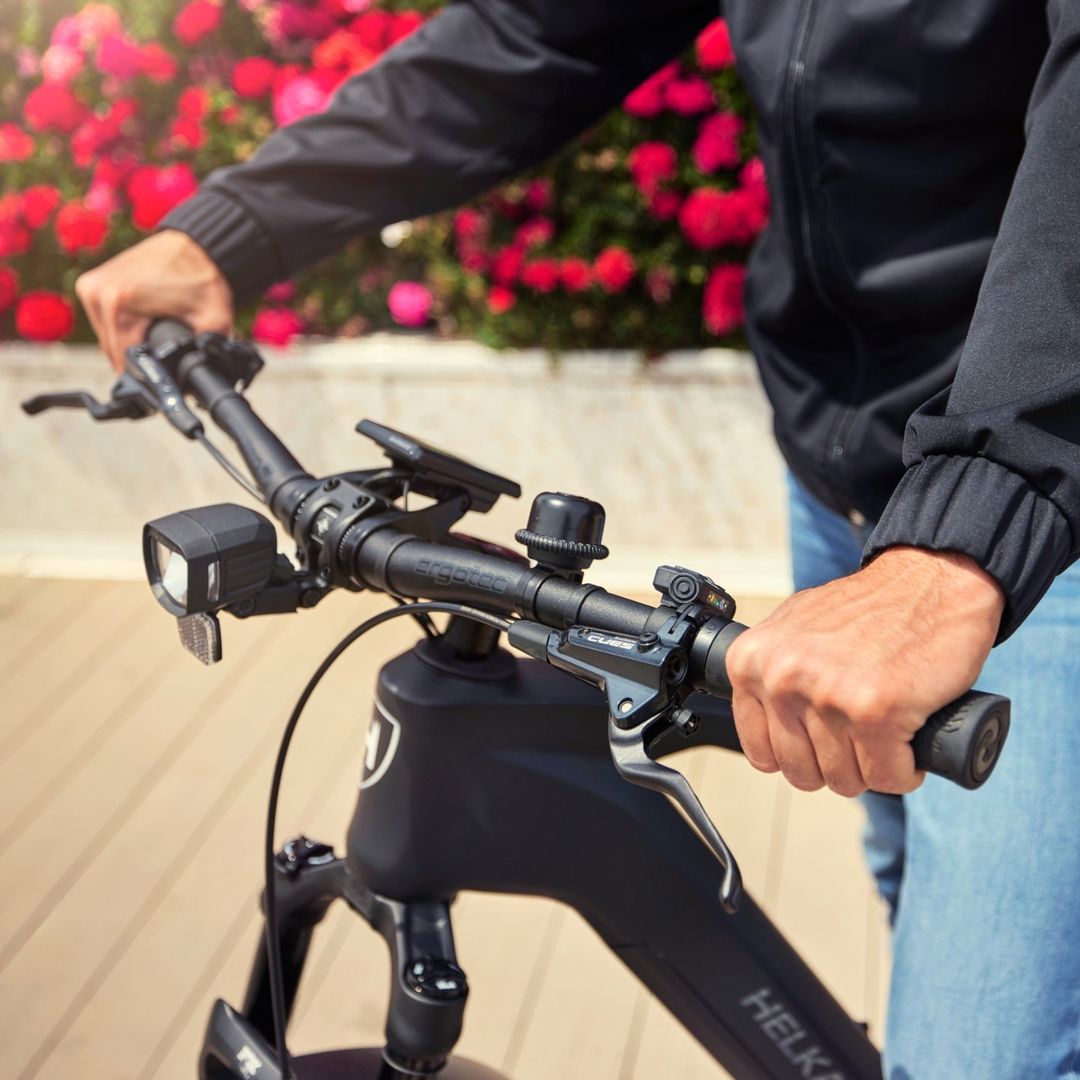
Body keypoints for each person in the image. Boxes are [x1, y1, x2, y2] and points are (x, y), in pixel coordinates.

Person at [76, 2, 1080, 1076]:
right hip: (847, 469)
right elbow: (539, 32)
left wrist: (976, 519)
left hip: (1034, 506)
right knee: (914, 875)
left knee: (988, 1050)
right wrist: (239, 222)